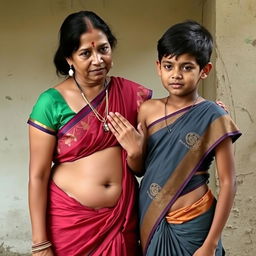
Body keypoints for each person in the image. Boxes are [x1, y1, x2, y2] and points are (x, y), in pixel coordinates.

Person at [107, 21, 241, 255]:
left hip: (195, 223)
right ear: (158, 67)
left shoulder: (213, 115)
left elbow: (229, 182)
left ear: (205, 70)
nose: (176, 75)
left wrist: (210, 244)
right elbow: (141, 170)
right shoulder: (147, 110)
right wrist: (135, 153)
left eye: (187, 67)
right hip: (152, 217)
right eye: (169, 66)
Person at [27, 11, 152, 255]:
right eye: (86, 53)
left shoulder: (132, 95)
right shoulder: (50, 103)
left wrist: (136, 152)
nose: (98, 60)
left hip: (121, 223)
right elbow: (38, 177)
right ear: (69, 59)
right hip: (71, 225)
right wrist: (40, 243)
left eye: (103, 49)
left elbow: (142, 169)